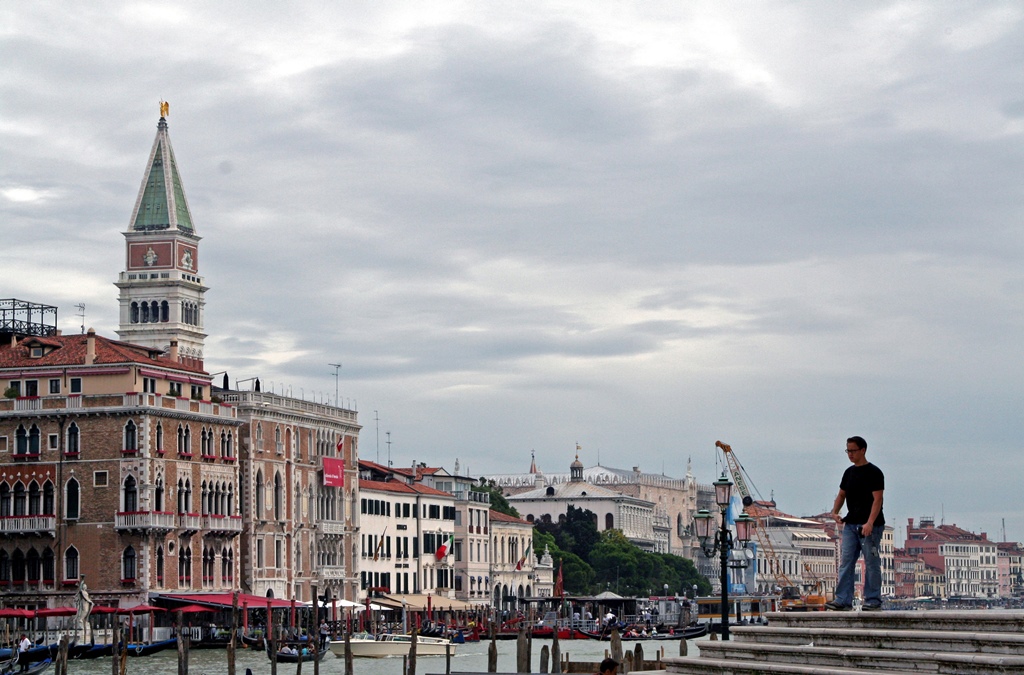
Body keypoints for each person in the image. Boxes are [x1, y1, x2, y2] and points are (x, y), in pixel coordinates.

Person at [827, 435, 885, 611]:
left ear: (863, 450)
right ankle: (843, 599)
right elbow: (841, 495)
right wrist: (835, 512)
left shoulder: (874, 472)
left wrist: (869, 523)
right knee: (846, 562)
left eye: (852, 451)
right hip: (851, 525)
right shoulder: (848, 473)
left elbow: (878, 500)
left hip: (870, 526)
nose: (850, 454)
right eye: (847, 451)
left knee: (871, 562)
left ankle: (873, 599)